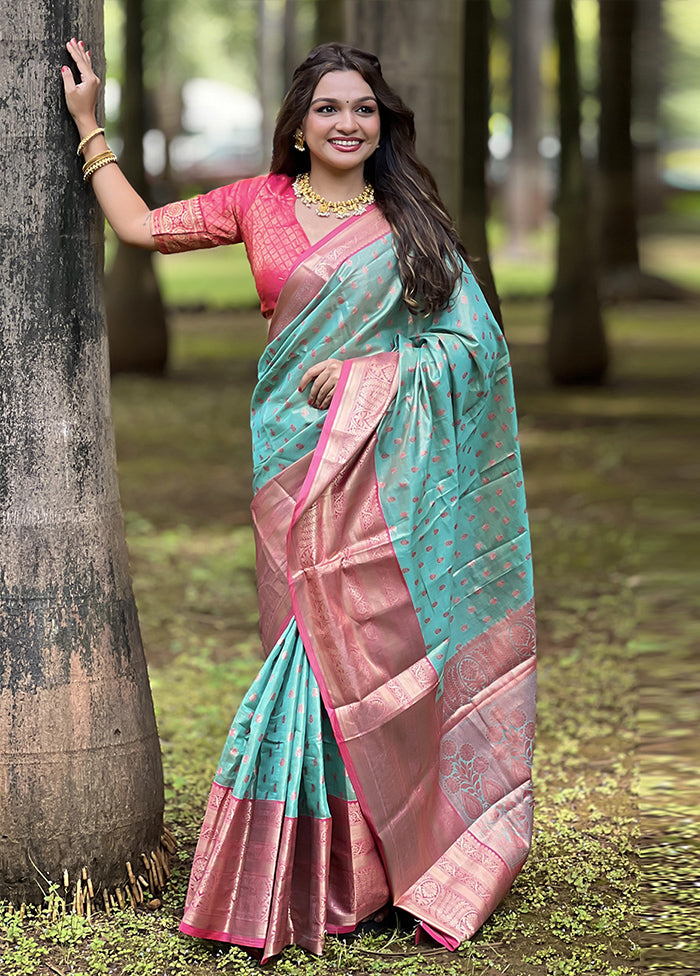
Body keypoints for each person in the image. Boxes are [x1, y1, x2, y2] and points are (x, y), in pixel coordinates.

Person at [62, 38, 536, 961]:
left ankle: (396, 860)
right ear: (299, 122)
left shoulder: (410, 220)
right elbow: (140, 230)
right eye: (328, 109)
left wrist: (373, 372)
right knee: (304, 649)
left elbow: (475, 348)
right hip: (287, 465)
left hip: (378, 466)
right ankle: (325, 870)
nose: (347, 124)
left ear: (382, 121)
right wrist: (90, 130)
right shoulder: (259, 202)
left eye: (363, 109)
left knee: (373, 651)